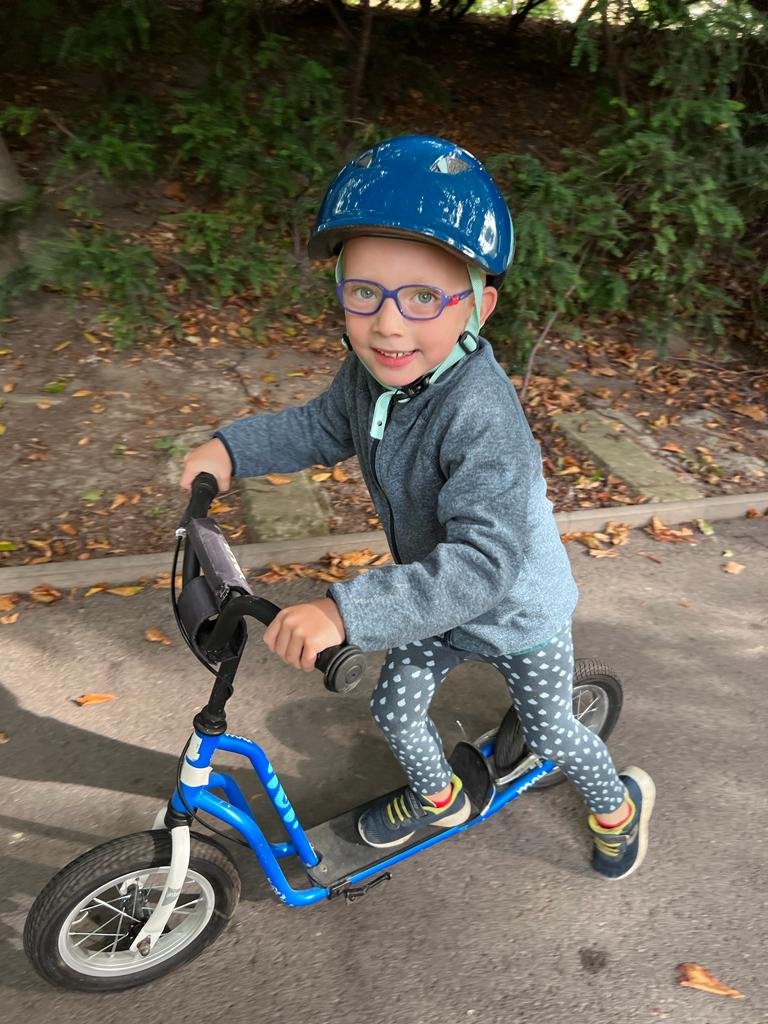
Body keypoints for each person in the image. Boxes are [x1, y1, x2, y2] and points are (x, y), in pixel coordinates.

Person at [180, 135, 655, 879]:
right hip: (434, 601)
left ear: (479, 308)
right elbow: (320, 426)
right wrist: (232, 450)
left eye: (424, 297)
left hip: (515, 613)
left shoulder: (482, 418)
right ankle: (441, 798)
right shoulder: (370, 374)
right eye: (364, 293)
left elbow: (482, 565)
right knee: (394, 707)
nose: (389, 324)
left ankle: (618, 806)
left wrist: (344, 612)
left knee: (551, 733)